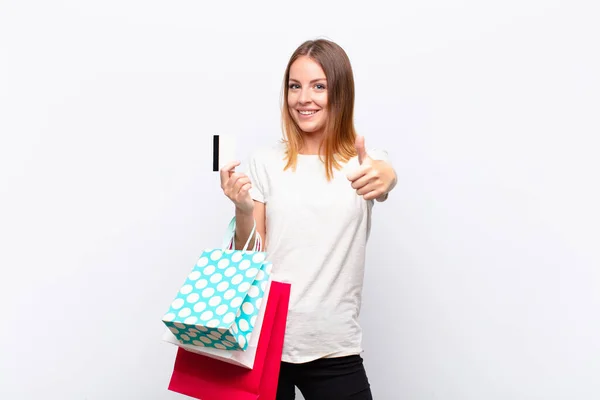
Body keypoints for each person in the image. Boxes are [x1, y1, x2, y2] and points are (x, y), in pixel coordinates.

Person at [219, 39, 397, 400]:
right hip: (264, 343)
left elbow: (383, 178)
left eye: (319, 86)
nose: (304, 98)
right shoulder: (266, 161)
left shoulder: (363, 162)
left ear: (340, 93)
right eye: (295, 86)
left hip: (334, 344)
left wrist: (387, 176)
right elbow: (251, 252)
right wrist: (242, 208)